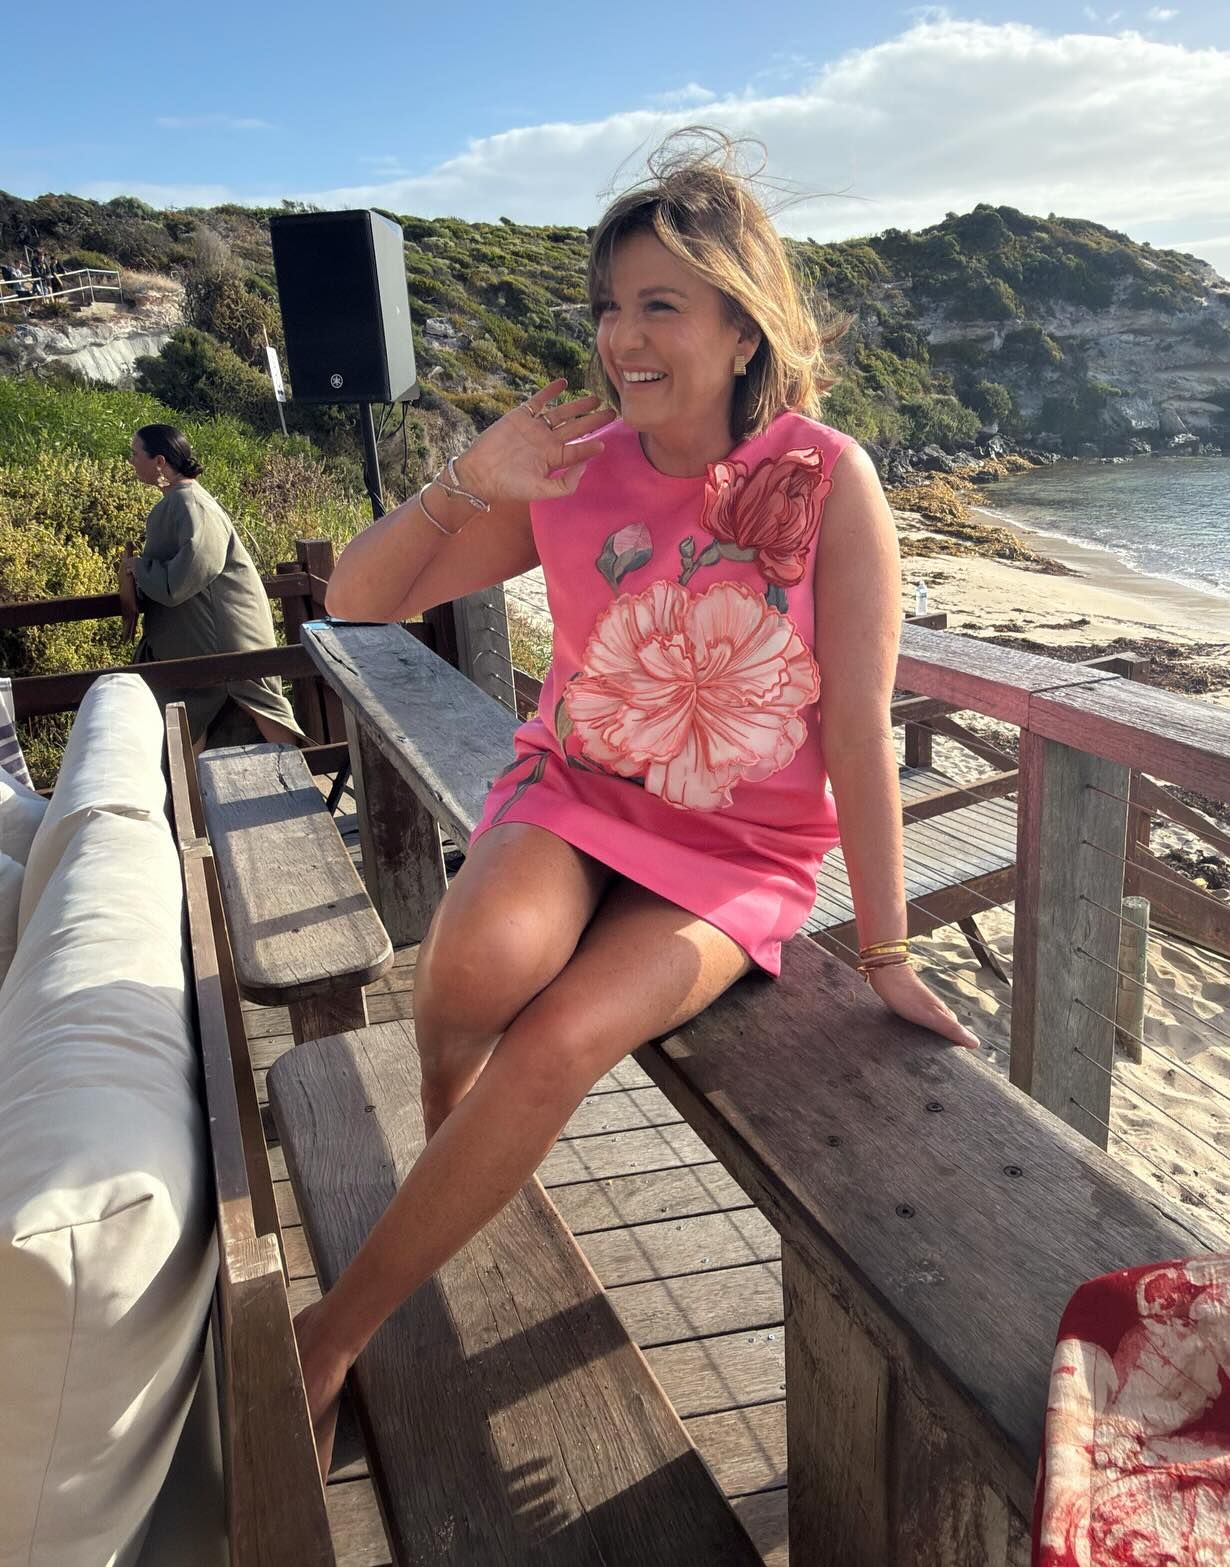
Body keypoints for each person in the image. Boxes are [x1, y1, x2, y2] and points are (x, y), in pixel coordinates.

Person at [297, 129, 980, 1469]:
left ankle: (328, 1337)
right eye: (609, 306)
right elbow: (357, 601)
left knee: (559, 1036)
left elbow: (856, 727)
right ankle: (457, 1136)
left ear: (742, 324)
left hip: (740, 849)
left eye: (660, 304)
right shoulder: (573, 460)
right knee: (471, 967)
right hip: (579, 786)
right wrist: (466, 482)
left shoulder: (827, 477)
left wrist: (886, 947)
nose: (622, 338)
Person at [122, 423, 305, 749]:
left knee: (258, 704)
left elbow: (186, 577)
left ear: (160, 461)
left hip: (225, 634)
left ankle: (302, 774)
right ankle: (195, 788)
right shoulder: (179, 501)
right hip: (200, 635)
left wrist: (139, 568)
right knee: (192, 711)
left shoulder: (191, 504)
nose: (131, 461)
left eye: (135, 454)